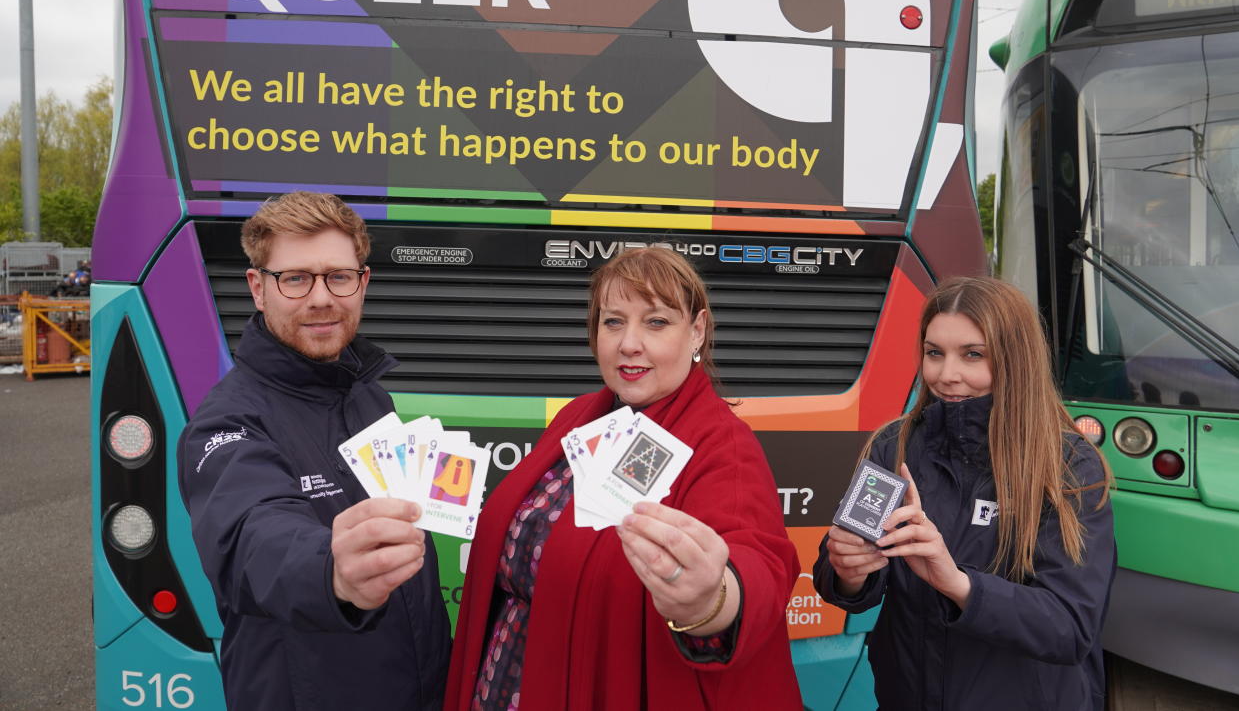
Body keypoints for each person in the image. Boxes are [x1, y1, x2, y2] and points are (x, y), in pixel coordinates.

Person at [444, 247, 802, 711]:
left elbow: (759, 566)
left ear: (697, 330)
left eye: (656, 322)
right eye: (613, 322)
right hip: (508, 677)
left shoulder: (722, 445)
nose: (629, 343)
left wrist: (711, 601)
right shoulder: (579, 416)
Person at [177, 191, 450, 710]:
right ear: (258, 288)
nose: (321, 298)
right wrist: (330, 568)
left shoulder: (371, 396)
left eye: (338, 276)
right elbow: (249, 536)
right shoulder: (226, 420)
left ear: (362, 283)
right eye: (296, 278)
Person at [814, 276, 1116, 711]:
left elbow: (1070, 627)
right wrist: (847, 567)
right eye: (934, 353)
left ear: (1017, 360)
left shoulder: (1069, 467)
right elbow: (841, 579)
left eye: (973, 355)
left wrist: (958, 583)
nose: (946, 375)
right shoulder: (894, 446)